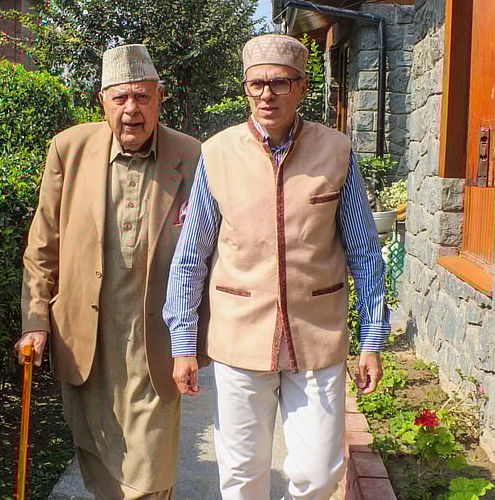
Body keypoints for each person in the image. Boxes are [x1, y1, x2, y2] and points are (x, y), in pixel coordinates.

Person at [163, 34, 390, 500]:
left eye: (281, 83)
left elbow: (364, 252)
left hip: (317, 335)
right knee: (242, 474)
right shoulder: (218, 154)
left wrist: (372, 339)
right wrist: (183, 344)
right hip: (240, 336)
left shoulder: (337, 151)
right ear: (245, 88)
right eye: (257, 84)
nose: (267, 94)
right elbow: (191, 256)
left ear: (303, 87)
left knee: (320, 474)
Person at [16, 44, 201, 499]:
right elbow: (43, 245)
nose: (131, 110)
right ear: (102, 101)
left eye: (142, 97)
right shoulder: (69, 149)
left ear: (160, 97)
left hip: (155, 338)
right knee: (100, 459)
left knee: (151, 470)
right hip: (86, 335)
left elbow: (209, 248)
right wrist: (36, 321)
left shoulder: (192, 156)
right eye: (120, 99)